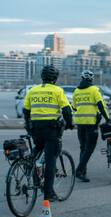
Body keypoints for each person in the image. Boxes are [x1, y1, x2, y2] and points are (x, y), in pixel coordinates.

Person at [23, 65, 74, 202]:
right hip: (51, 130)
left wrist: (29, 125)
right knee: (51, 160)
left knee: (39, 146)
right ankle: (48, 193)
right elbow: (67, 111)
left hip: (35, 129)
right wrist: (70, 123)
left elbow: (26, 111)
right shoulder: (57, 90)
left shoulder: (33, 90)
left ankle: (28, 167)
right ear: (55, 78)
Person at [73, 70, 111, 182]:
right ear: (91, 80)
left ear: (82, 79)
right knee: (89, 148)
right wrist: (108, 119)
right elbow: (101, 105)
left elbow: (75, 107)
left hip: (80, 122)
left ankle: (83, 171)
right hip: (91, 123)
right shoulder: (94, 90)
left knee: (83, 147)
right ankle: (79, 170)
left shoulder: (76, 91)